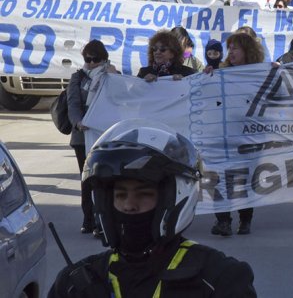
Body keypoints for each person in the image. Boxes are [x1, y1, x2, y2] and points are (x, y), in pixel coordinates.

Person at [48, 119, 256, 297]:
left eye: (144, 194)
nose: (129, 205)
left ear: (175, 198)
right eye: (120, 195)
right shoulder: (76, 283)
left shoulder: (219, 277)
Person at [206, 32, 265, 236]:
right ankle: (223, 221)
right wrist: (206, 78)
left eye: (235, 48)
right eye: (229, 48)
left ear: (247, 51)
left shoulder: (259, 74)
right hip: (222, 134)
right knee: (217, 177)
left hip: (248, 136)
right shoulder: (220, 73)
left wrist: (275, 72)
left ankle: (245, 219)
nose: (231, 52)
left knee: (242, 180)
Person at [67, 40, 118, 235]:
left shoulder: (111, 75)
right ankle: (89, 219)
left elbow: (122, 97)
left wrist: (114, 75)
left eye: (95, 59)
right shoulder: (78, 77)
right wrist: (78, 122)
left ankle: (103, 220)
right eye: (87, 59)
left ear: (104, 58)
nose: (90, 63)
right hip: (83, 136)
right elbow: (73, 103)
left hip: (105, 135)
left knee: (106, 178)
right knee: (87, 178)